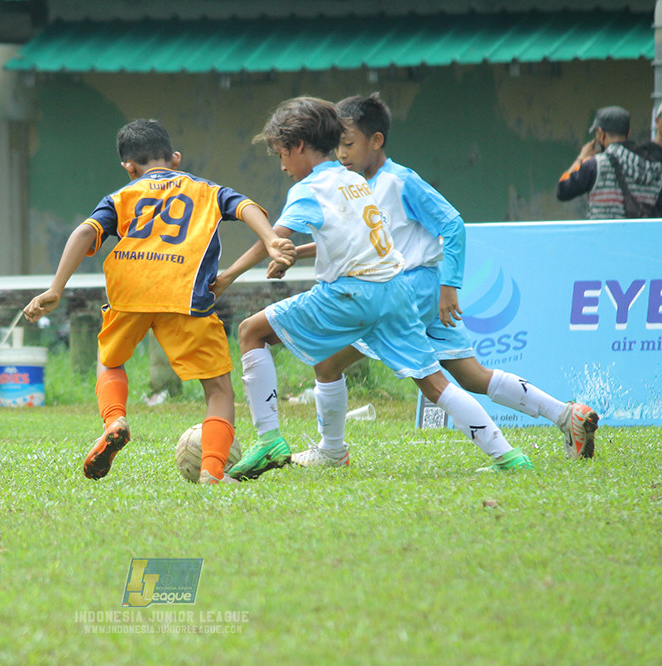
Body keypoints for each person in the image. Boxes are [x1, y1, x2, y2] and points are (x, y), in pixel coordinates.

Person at [274, 92, 598, 470]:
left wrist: (450, 285)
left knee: (329, 364)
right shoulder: (359, 185)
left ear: (375, 141)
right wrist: (301, 252)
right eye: (337, 146)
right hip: (414, 290)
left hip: (404, 290)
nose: (342, 154)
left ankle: (332, 452)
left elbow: (452, 224)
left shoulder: (400, 181)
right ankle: (566, 415)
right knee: (472, 375)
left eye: (348, 144)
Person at [217, 96, 532, 482]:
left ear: (299, 146)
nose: (282, 166)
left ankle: (268, 439)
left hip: (351, 294)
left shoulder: (308, 189)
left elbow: (275, 236)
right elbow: (349, 237)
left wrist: (230, 274)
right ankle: (508, 456)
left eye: (282, 154)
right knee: (434, 383)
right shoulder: (355, 181)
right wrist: (291, 254)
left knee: (251, 331)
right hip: (395, 292)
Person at [23, 118, 294, 484]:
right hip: (185, 294)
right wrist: (271, 239)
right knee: (217, 390)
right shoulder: (205, 190)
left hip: (129, 292)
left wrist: (56, 287)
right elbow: (247, 207)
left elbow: (86, 231)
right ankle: (213, 472)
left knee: (110, 362)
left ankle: (115, 419)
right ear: (176, 158)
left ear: (129, 168)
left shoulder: (123, 196)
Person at [557, 105, 662, 219]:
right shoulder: (654, 166)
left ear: (600, 133)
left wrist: (581, 157)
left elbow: (563, 191)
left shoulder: (595, 165)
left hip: (603, 236)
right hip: (640, 236)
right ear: (628, 133)